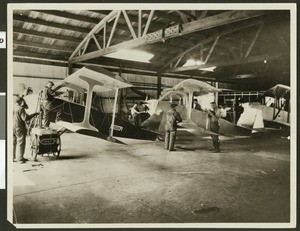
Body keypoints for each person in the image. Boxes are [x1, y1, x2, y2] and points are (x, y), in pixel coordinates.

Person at [13, 96, 39, 163]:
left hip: (12, 127)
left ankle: (12, 158)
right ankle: (20, 158)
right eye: (23, 101)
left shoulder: (12, 107)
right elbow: (25, 118)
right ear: (20, 101)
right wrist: (34, 114)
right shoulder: (21, 109)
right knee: (21, 142)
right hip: (19, 128)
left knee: (13, 142)